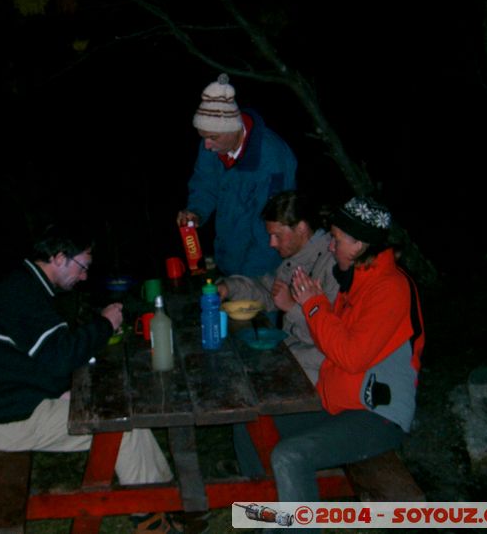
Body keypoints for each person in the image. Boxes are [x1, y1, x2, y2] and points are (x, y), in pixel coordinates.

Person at [0, 221, 178, 533]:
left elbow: (35, 358)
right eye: (83, 266)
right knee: (122, 429)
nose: (85, 276)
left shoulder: (25, 284)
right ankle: (152, 519)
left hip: (14, 401)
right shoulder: (23, 295)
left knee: (127, 417)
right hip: (7, 420)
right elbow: (61, 357)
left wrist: (58, 390)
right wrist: (105, 324)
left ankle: (167, 501)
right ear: (59, 258)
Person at [269, 196, 425, 506]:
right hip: (339, 403)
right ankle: (264, 497)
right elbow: (333, 339)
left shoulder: (390, 288)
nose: (330, 246)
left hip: (376, 415)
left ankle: (293, 524)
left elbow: (351, 357)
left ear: (359, 245)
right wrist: (314, 307)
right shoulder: (356, 282)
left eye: (337, 240)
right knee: (261, 422)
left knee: (291, 455)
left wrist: (314, 305)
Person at [177, 73, 298, 278]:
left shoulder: (271, 158)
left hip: (264, 270)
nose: (207, 145)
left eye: (212, 137)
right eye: (203, 137)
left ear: (233, 129)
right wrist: (196, 211)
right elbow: (204, 185)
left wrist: (246, 281)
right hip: (228, 261)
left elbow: (271, 229)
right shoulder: (212, 146)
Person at [217, 190, 338, 385]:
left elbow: (331, 339)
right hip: (294, 353)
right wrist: (229, 287)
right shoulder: (298, 259)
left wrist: (291, 307)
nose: (271, 243)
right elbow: (268, 290)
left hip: (320, 370)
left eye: (277, 236)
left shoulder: (332, 265)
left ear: (301, 228)